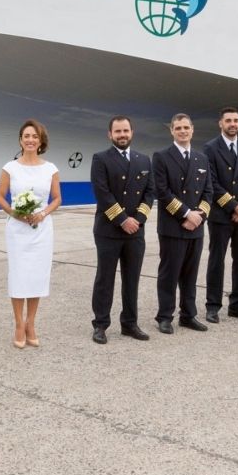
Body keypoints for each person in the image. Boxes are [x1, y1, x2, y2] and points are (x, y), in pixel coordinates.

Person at [0, 120, 61, 349]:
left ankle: (31, 323)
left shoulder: (50, 168)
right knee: (19, 274)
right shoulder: (10, 168)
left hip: (42, 229)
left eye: (35, 136)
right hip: (17, 229)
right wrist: (15, 213)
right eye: (26, 136)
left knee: (37, 275)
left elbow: (57, 199)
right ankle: (18, 324)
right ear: (20, 140)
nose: (30, 140)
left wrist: (43, 213)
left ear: (41, 141)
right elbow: (0, 197)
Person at [89, 115, 153, 345]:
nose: (122, 135)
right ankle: (101, 324)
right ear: (110, 135)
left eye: (125, 130)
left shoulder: (144, 160)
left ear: (132, 132)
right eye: (118, 131)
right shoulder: (100, 159)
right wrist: (123, 219)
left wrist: (138, 219)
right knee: (105, 278)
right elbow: (102, 193)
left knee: (132, 278)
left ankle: (129, 323)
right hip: (109, 230)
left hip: (135, 231)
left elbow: (149, 193)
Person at [152, 113, 212, 334]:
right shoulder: (161, 156)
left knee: (190, 274)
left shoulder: (201, 159)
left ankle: (188, 315)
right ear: (172, 131)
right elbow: (162, 191)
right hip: (173, 226)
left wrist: (199, 217)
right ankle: (165, 316)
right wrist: (187, 214)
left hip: (196, 227)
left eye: (186, 127)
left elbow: (208, 192)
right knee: (169, 273)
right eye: (178, 128)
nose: (183, 131)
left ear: (192, 130)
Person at [202, 107, 238, 323]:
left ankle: (237, 304)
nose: (232, 124)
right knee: (217, 260)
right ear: (220, 123)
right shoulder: (210, 148)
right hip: (221, 214)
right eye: (228, 120)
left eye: (236, 120)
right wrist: (235, 207)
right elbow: (212, 182)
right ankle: (213, 305)